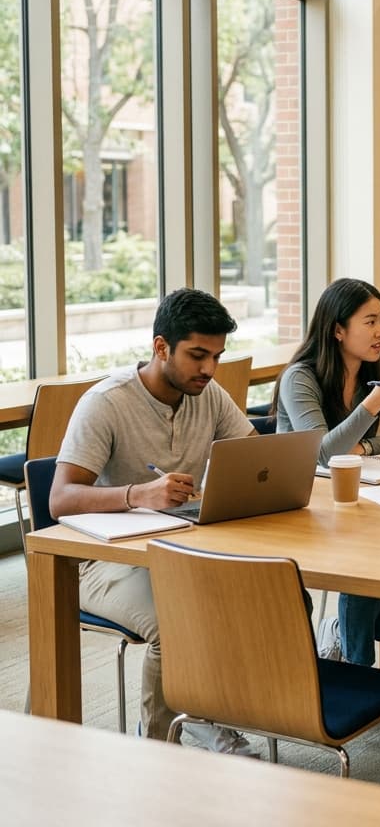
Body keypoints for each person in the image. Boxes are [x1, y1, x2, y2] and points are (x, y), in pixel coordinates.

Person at [51, 288, 258, 752]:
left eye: (217, 357)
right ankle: (161, 745)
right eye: (197, 355)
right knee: (177, 621)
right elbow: (59, 500)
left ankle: (209, 712)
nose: (208, 369)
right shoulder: (106, 402)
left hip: (180, 547)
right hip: (103, 561)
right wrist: (137, 494)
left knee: (264, 594)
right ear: (160, 347)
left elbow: (252, 455)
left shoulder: (207, 393)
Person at [273, 277, 380, 666]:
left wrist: (368, 446)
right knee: (366, 555)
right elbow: (322, 453)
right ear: (338, 330)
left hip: (355, 499)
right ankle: (358, 667)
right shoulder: (300, 376)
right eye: (370, 321)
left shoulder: (378, 363)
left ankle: (344, 634)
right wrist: (371, 407)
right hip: (301, 506)